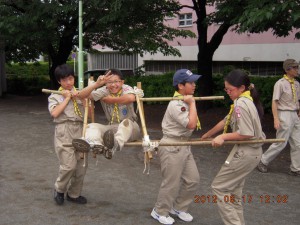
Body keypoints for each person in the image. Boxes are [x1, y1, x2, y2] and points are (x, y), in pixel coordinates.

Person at [201, 69, 265, 225]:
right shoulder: (245, 100)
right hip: (250, 152)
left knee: (220, 188)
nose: (227, 92)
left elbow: (246, 133)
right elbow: (226, 121)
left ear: (242, 88)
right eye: (226, 89)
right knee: (234, 192)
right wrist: (208, 134)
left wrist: (223, 136)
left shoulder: (240, 105)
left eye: (230, 89)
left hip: (246, 153)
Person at [151, 69, 201, 225]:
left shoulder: (186, 101)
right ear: (180, 85)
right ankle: (159, 211)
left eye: (194, 82)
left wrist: (191, 102)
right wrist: (192, 103)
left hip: (184, 144)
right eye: (191, 83)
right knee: (171, 182)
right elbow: (191, 124)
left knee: (193, 179)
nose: (194, 85)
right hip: (172, 145)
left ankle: (179, 207)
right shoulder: (176, 104)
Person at [48, 64, 100, 205]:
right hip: (64, 130)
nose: (68, 82)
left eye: (70, 79)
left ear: (74, 78)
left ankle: (74, 194)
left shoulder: (81, 94)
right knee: (68, 165)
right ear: (59, 81)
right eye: (64, 80)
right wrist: (66, 98)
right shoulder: (55, 95)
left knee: (81, 166)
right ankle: (59, 189)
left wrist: (83, 99)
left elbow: (89, 115)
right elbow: (54, 113)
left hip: (81, 130)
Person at [72, 68, 142, 159]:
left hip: (131, 128)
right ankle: (95, 144)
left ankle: (115, 144)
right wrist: (96, 84)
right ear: (105, 83)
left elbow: (131, 98)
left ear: (122, 82)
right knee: (91, 126)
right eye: (109, 82)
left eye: (116, 81)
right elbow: (81, 95)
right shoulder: (104, 90)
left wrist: (112, 100)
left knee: (126, 122)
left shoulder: (126, 88)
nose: (113, 85)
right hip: (112, 128)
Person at [257, 59, 300, 176]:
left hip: (295, 115)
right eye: (295, 67)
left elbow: (297, 100)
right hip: (284, 114)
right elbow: (274, 102)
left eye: (297, 67)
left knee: (298, 143)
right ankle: (263, 160)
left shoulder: (297, 84)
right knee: (281, 142)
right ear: (287, 69)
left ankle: (296, 168)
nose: (297, 70)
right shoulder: (280, 83)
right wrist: (276, 118)